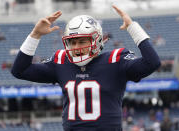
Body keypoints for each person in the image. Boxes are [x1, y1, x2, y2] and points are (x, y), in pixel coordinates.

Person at [11, 5, 161, 131]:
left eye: (82, 41)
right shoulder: (61, 61)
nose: (76, 47)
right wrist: (35, 35)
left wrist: (133, 28)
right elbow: (19, 70)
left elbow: (152, 62)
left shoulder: (116, 60)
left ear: (97, 40)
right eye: (73, 42)